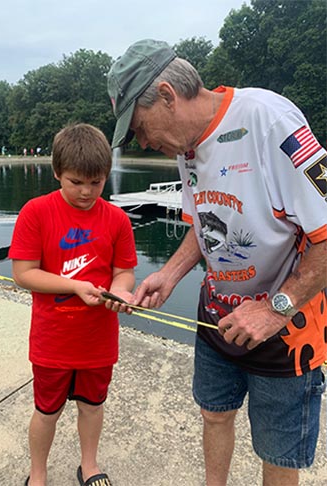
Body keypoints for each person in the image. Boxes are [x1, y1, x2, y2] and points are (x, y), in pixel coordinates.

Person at [107, 39, 327, 485]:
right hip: (216, 319)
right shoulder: (186, 150)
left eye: (140, 127)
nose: (144, 143)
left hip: (287, 329)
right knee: (213, 416)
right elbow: (204, 224)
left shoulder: (270, 120)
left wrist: (273, 309)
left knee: (276, 451)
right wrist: (168, 275)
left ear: (167, 95)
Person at [9, 123, 137, 486]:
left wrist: (121, 292)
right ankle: (38, 473)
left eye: (95, 183)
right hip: (52, 341)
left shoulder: (116, 219)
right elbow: (24, 273)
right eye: (76, 182)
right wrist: (75, 286)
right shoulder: (36, 212)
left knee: (92, 406)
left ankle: (90, 465)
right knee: (46, 412)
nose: (86, 192)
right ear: (56, 173)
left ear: (106, 176)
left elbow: (124, 271)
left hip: (98, 341)